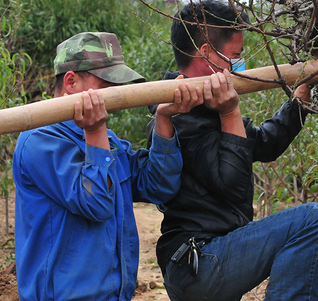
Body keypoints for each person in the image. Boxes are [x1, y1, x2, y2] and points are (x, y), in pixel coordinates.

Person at [149, 0, 318, 301]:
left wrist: (299, 101)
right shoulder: (178, 120)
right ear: (207, 54)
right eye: (235, 56)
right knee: (311, 219)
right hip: (199, 261)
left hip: (215, 255)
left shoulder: (207, 108)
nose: (239, 66)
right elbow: (232, 185)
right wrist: (231, 112)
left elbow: (264, 144)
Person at [12, 32, 203, 301]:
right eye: (107, 84)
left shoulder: (108, 141)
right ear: (70, 81)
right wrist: (95, 130)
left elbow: (160, 186)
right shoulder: (39, 141)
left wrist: (163, 118)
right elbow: (96, 204)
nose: (115, 94)